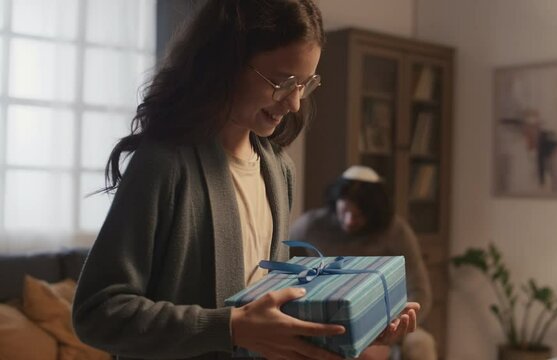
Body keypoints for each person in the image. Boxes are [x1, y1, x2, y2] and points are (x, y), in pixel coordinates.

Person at [72, 1, 420, 360]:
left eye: (304, 84)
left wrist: (357, 326)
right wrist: (231, 327)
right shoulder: (164, 164)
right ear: (227, 63)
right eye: (284, 82)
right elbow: (97, 313)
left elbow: (269, 317)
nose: (295, 103)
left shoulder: (278, 170)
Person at [290, 165, 438, 360]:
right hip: (328, 318)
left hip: (385, 320)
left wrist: (390, 331)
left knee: (421, 344)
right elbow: (282, 266)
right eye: (344, 211)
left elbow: (420, 291)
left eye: (358, 215)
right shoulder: (311, 225)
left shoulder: (396, 231)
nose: (350, 221)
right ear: (336, 203)